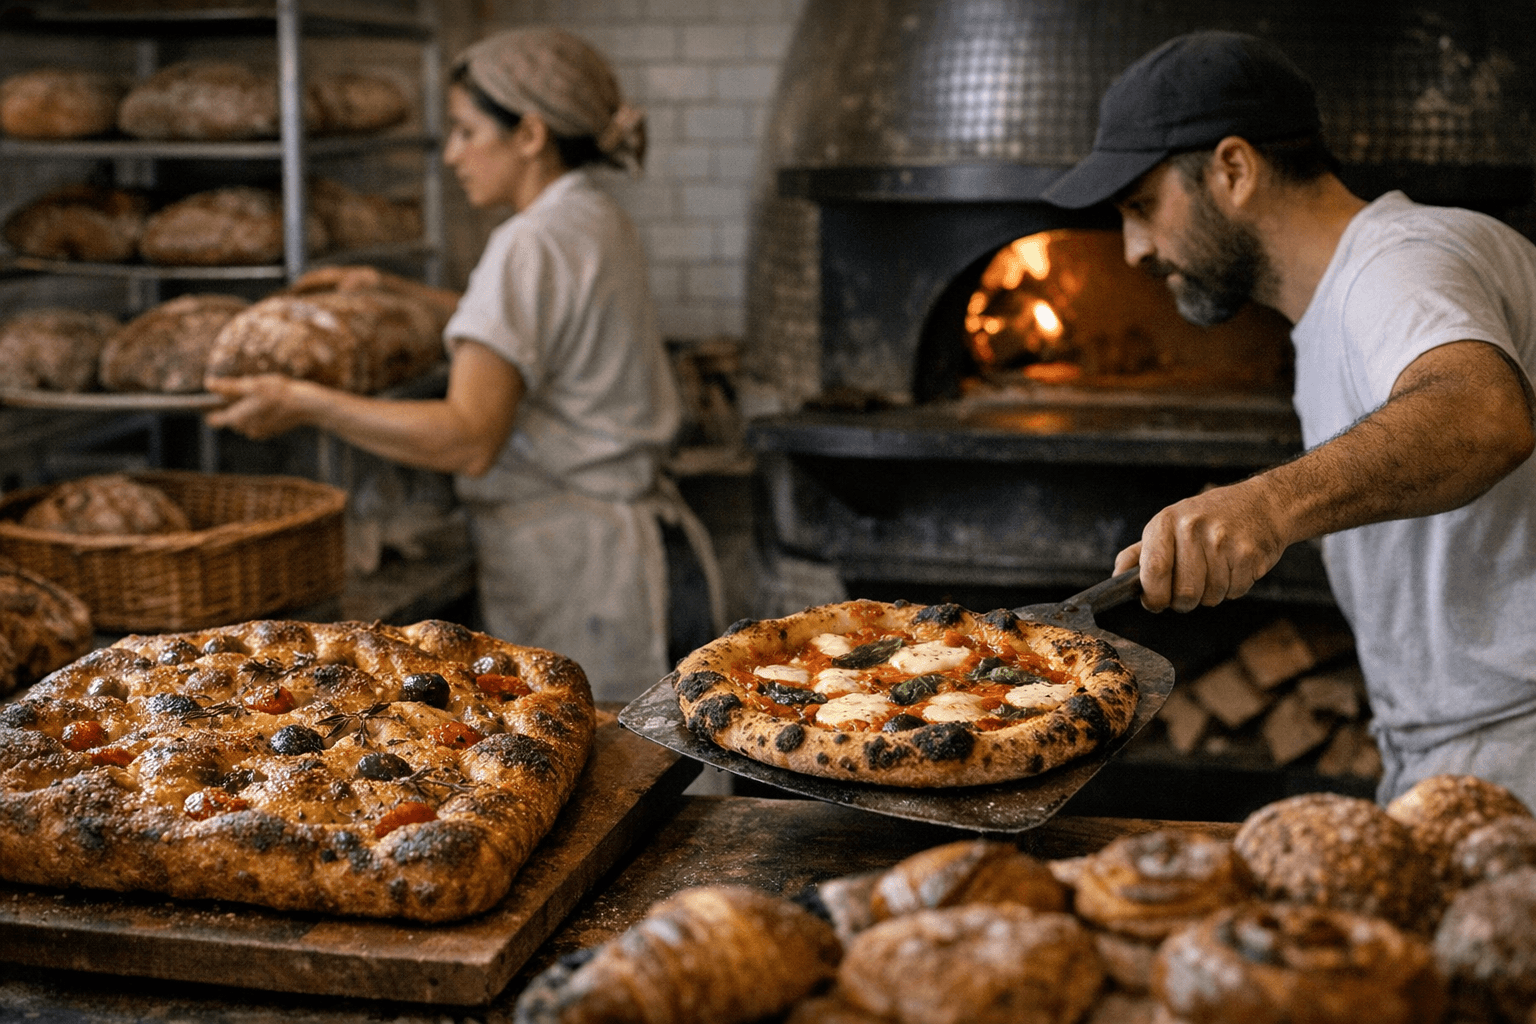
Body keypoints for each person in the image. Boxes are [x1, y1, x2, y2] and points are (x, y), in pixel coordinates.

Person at [1040, 30, 1536, 806]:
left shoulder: (1395, 263)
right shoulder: (1347, 298)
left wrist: (1266, 506)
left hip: (1515, 741)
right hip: (1468, 738)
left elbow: (1483, 414)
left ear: (1233, 169)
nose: (1133, 248)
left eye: (1142, 206)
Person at [206, 27, 706, 704]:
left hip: (580, 566)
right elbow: (526, 333)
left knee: (611, 786)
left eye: (468, 132)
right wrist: (395, 292)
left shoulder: (528, 241)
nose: (452, 155)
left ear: (530, 135)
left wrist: (302, 401)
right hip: (637, 543)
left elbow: (468, 438)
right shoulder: (590, 215)